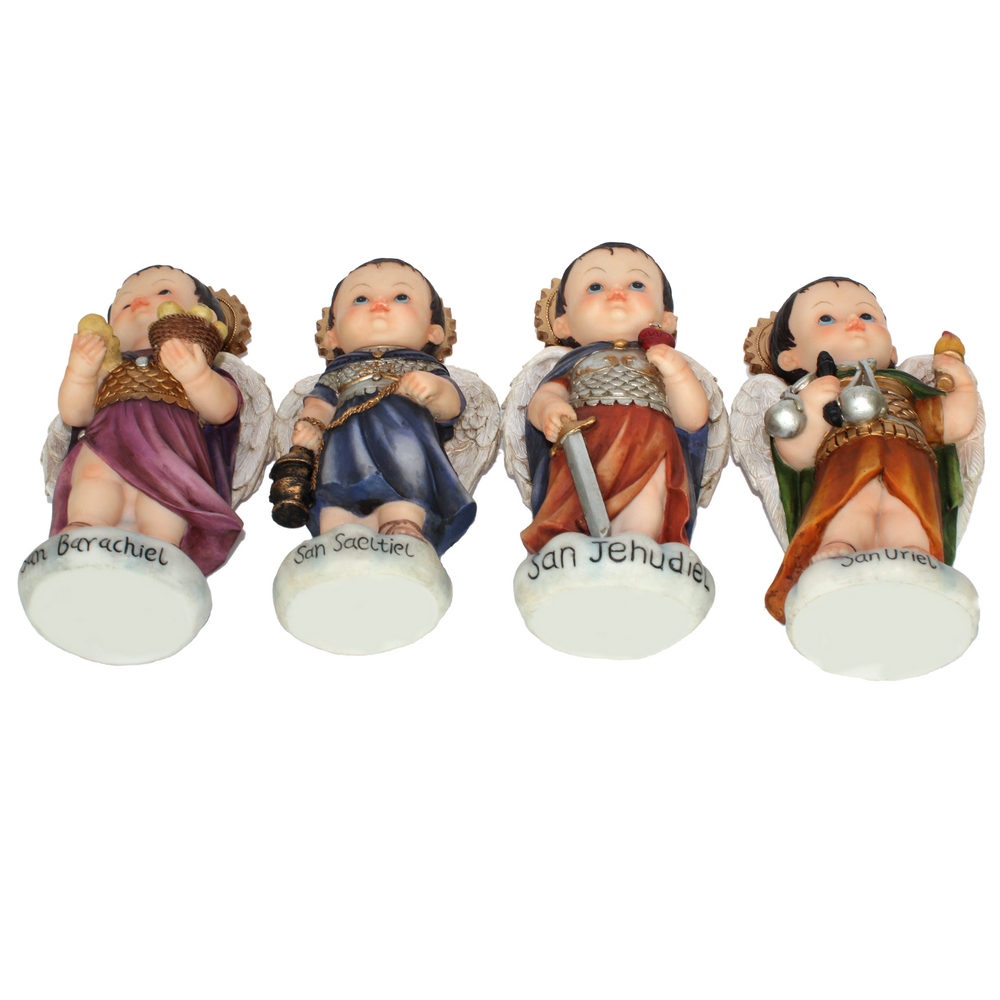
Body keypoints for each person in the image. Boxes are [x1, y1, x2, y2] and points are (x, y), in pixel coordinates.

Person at [762, 276, 978, 621]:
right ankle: (839, 550)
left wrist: (963, 385)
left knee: (908, 512)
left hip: (910, 458)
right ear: (790, 359)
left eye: (867, 316)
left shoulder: (905, 391)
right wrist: (814, 405)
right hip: (845, 460)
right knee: (849, 509)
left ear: (892, 352)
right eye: (826, 318)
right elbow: (796, 456)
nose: (854, 322)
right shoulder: (809, 397)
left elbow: (951, 424)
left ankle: (914, 556)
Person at [51, 265, 244, 575]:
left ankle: (160, 550)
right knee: (93, 480)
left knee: (166, 495)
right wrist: (81, 373)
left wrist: (196, 376)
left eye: (163, 291)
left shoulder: (200, 367)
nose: (139, 302)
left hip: (167, 447)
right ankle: (83, 531)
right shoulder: (109, 369)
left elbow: (222, 411)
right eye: (124, 303)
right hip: (105, 443)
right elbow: (75, 414)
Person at [521, 242, 710, 553]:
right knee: (575, 498)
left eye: (637, 284)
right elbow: (546, 394)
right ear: (563, 325)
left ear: (667, 320)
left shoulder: (662, 363)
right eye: (595, 286)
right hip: (585, 444)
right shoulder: (574, 364)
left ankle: (637, 546)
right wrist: (550, 408)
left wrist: (677, 374)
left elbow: (692, 421)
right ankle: (571, 549)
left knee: (647, 499)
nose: (617, 293)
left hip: (649, 444)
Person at [289, 258, 475, 554]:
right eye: (360, 299)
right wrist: (310, 425)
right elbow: (319, 402)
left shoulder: (423, 366)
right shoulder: (338, 373)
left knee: (407, 479)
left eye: (401, 296)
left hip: (403, 437)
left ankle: (403, 527)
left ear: (434, 331)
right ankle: (336, 536)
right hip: (344, 442)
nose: (379, 304)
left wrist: (434, 389)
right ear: (332, 335)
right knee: (335, 484)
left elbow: (452, 407)